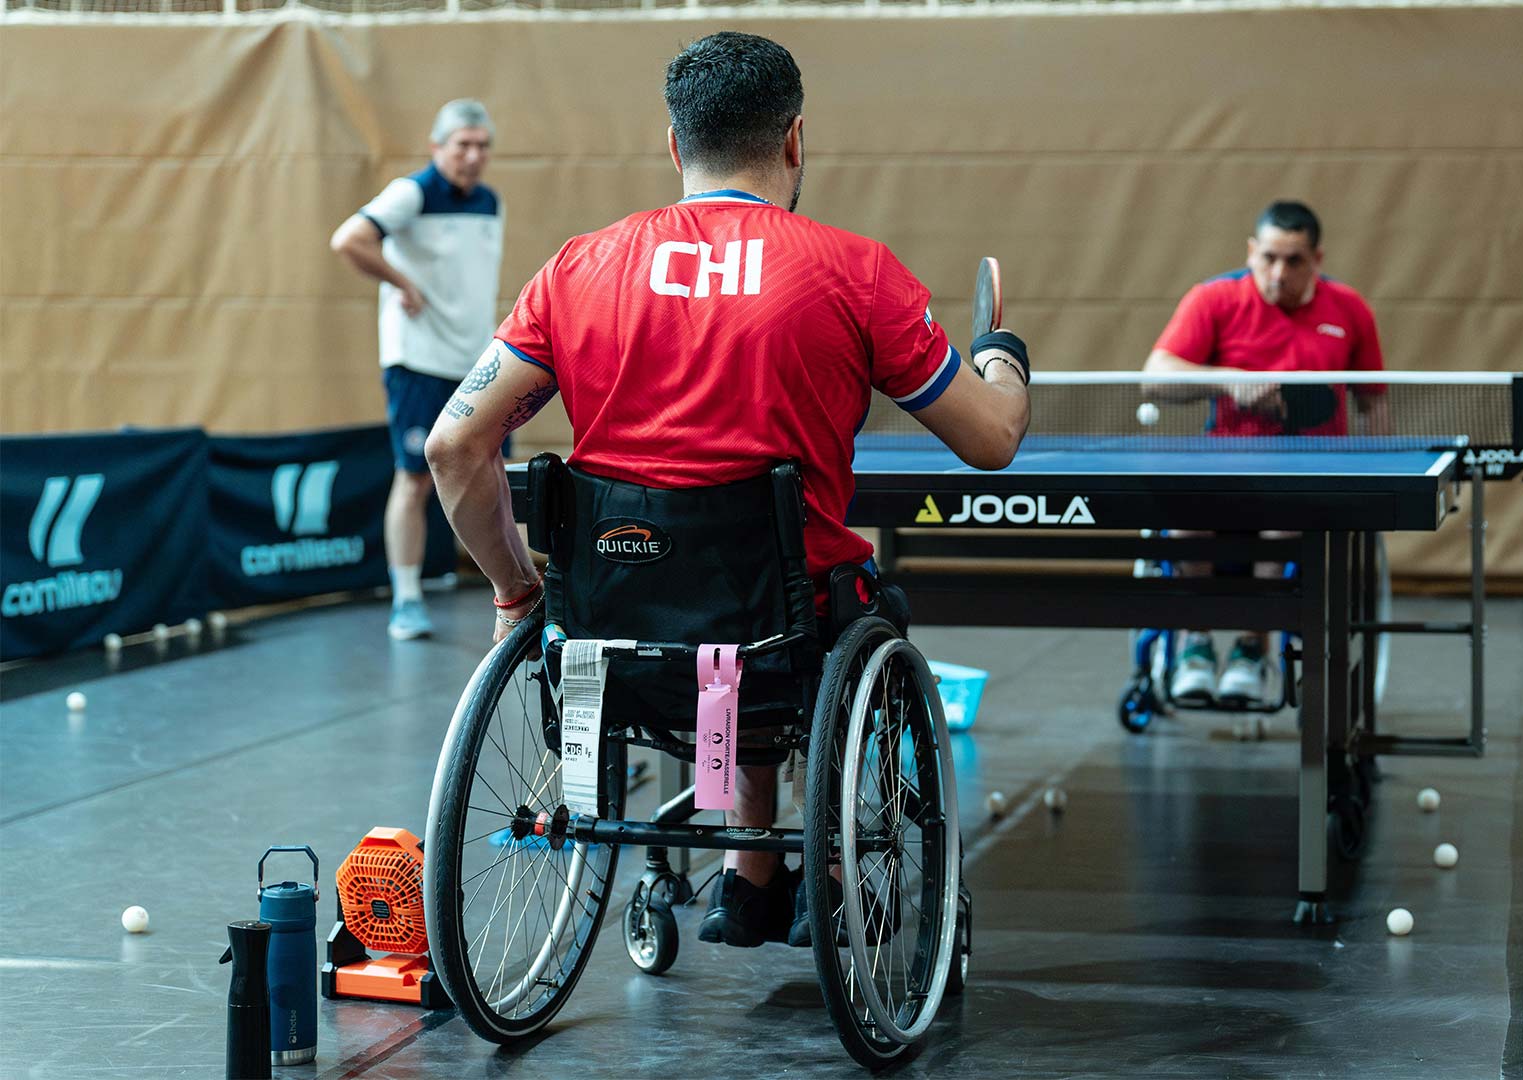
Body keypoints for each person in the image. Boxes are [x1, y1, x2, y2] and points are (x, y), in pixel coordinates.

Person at [424, 33, 1030, 950]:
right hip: (790, 629)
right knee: (824, 612)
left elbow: (453, 442)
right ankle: (819, 874)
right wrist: (1003, 360)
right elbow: (992, 440)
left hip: (614, 623)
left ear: (674, 145)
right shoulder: (856, 271)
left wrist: (516, 588)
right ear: (795, 141)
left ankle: (749, 878)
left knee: (729, 614)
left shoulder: (577, 267)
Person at [1143, 200, 1386, 707]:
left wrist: (1382, 479)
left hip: (1313, 475)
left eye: (1294, 260)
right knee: (1186, 516)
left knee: (1285, 523)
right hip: (1225, 468)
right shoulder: (1214, 299)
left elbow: (1373, 402)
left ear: (1316, 258)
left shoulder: (1350, 309)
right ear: (1252, 251)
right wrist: (1228, 380)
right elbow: (1156, 377)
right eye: (1269, 257)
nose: (1279, 273)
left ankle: (1255, 650)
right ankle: (1198, 645)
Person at [329, 99, 504, 641]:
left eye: (481, 146)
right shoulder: (412, 192)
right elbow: (349, 240)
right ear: (438, 147)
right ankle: (406, 598)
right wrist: (401, 283)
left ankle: (516, 594)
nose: (473, 156)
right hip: (419, 361)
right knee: (413, 478)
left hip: (475, 361)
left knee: (494, 476)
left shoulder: (489, 202)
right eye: (462, 145)